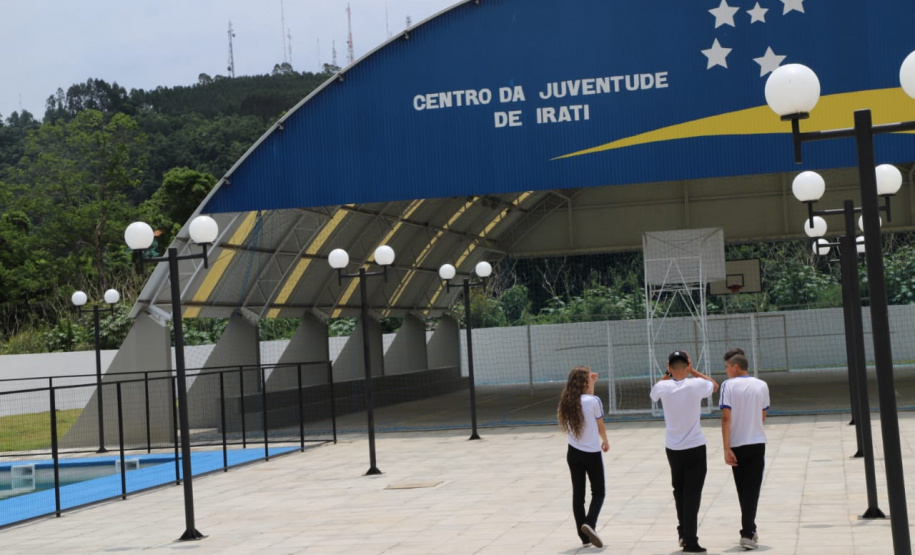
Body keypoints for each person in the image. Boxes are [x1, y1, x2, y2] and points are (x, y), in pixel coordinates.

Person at [650, 350, 719, 554]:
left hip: (673, 449)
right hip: (695, 447)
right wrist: (694, 371)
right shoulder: (696, 385)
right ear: (687, 366)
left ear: (669, 367)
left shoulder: (663, 386)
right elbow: (714, 385)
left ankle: (683, 531)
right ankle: (690, 539)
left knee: (679, 492)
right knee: (692, 494)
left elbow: (653, 393)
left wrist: (668, 373)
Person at [720, 348, 770, 551]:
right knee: (752, 489)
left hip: (737, 444)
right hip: (757, 442)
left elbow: (725, 417)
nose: (726, 372)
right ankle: (750, 527)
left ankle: (747, 533)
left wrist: (726, 447)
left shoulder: (728, 386)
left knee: (743, 489)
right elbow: (763, 415)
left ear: (735, 367)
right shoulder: (762, 385)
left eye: (727, 368)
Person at [558, 366, 610, 548]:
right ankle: (590, 523)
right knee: (599, 492)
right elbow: (600, 426)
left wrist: (591, 384)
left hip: (573, 453)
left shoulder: (567, 401)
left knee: (578, 495)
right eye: (589, 377)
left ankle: (584, 538)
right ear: (584, 382)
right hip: (592, 454)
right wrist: (605, 441)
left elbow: (587, 401)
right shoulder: (594, 401)